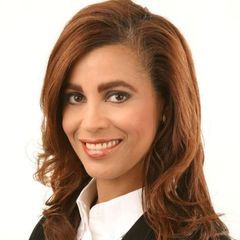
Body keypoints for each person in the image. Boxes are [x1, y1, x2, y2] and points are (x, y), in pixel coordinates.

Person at [29, 0, 231, 239]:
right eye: (76, 97)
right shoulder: (50, 229)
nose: (91, 123)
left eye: (117, 96)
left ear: (166, 104)